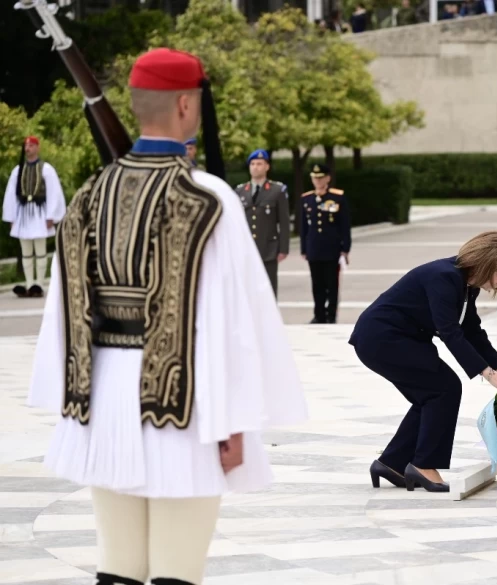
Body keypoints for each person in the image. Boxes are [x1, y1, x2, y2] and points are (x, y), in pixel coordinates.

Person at [27, 47, 308, 585]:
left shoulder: (88, 195)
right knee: (177, 572)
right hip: (184, 409)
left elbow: (63, 315)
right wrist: (233, 419)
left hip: (103, 403)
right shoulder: (208, 198)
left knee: (118, 567)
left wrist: (72, 407)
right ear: (185, 104)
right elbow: (232, 324)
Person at [349, 231, 497, 493]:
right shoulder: (443, 277)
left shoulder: (465, 284)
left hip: (402, 339)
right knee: (444, 388)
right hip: (382, 338)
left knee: (433, 394)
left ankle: (392, 463)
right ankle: (423, 465)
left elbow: (472, 330)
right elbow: (450, 331)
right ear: (486, 264)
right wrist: (488, 374)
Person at [2, 136, 66, 298]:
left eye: (31, 145)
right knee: (26, 252)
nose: (27, 148)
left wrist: (51, 215)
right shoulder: (18, 170)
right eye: (26, 145)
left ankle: (39, 283)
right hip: (23, 214)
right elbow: (11, 194)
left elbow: (54, 192)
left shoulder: (46, 169)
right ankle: (30, 284)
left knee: (40, 250)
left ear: (37, 148)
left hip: (40, 213)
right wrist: (11, 217)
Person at [234, 150, 290, 298]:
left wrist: (283, 248)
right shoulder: (240, 191)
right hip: (246, 248)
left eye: (259, 164)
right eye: (252, 164)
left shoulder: (277, 190)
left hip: (268, 248)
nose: (255, 167)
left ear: (267, 166)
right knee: (247, 290)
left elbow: (284, 221)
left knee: (269, 290)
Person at [300, 163, 351, 324]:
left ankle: (331, 315)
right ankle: (319, 314)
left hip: (331, 248)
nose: (318, 181)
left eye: (321, 178)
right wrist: (304, 248)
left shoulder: (337, 197)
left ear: (328, 178)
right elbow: (303, 227)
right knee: (317, 284)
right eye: (315, 178)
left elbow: (344, 225)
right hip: (314, 247)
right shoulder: (307, 199)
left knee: (332, 284)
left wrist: (345, 248)